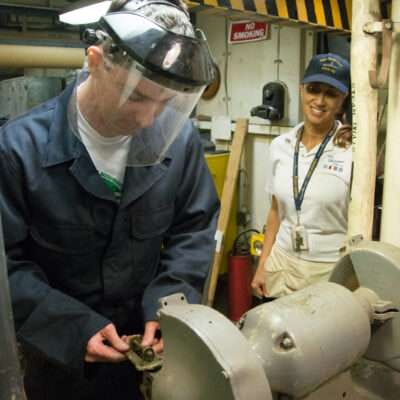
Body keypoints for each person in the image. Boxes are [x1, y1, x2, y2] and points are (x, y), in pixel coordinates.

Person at [0, 0, 219, 399]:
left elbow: (194, 229)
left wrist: (169, 306)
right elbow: (6, 266)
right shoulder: (18, 150)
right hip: (60, 363)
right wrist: (71, 327)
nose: (149, 119)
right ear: (96, 60)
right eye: (136, 97)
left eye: (165, 102)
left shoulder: (180, 141)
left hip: (154, 360)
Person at [252, 53, 351, 299]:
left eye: (330, 94)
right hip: (281, 263)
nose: (319, 100)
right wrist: (263, 264)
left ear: (342, 100)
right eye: (314, 90)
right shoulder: (280, 145)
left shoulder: (353, 150)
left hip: (328, 270)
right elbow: (275, 211)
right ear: (301, 90)